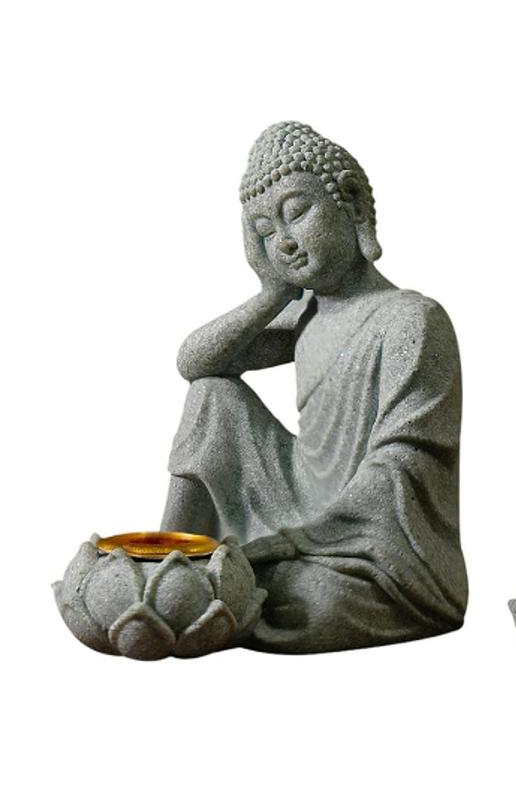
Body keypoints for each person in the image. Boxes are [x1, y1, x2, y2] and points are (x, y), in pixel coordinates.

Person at [162, 122, 468, 652]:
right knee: (213, 394)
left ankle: (212, 593)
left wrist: (301, 540)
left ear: (350, 202)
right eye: (264, 231)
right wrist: (271, 293)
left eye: (297, 212)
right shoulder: (305, 316)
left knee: (313, 599)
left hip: (369, 542)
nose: (283, 240)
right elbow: (196, 363)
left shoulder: (411, 319)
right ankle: (170, 560)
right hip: (298, 498)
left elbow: (403, 462)